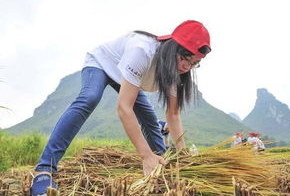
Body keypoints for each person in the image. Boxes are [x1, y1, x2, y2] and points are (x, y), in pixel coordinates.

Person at [30, 20, 211, 195]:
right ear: (173, 47)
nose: (186, 67)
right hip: (101, 63)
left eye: (194, 63)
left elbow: (173, 114)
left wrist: (182, 156)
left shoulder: (177, 72)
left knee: (149, 118)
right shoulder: (142, 51)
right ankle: (45, 168)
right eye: (184, 59)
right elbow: (124, 108)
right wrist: (145, 156)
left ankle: (162, 164)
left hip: (127, 78)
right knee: (89, 98)